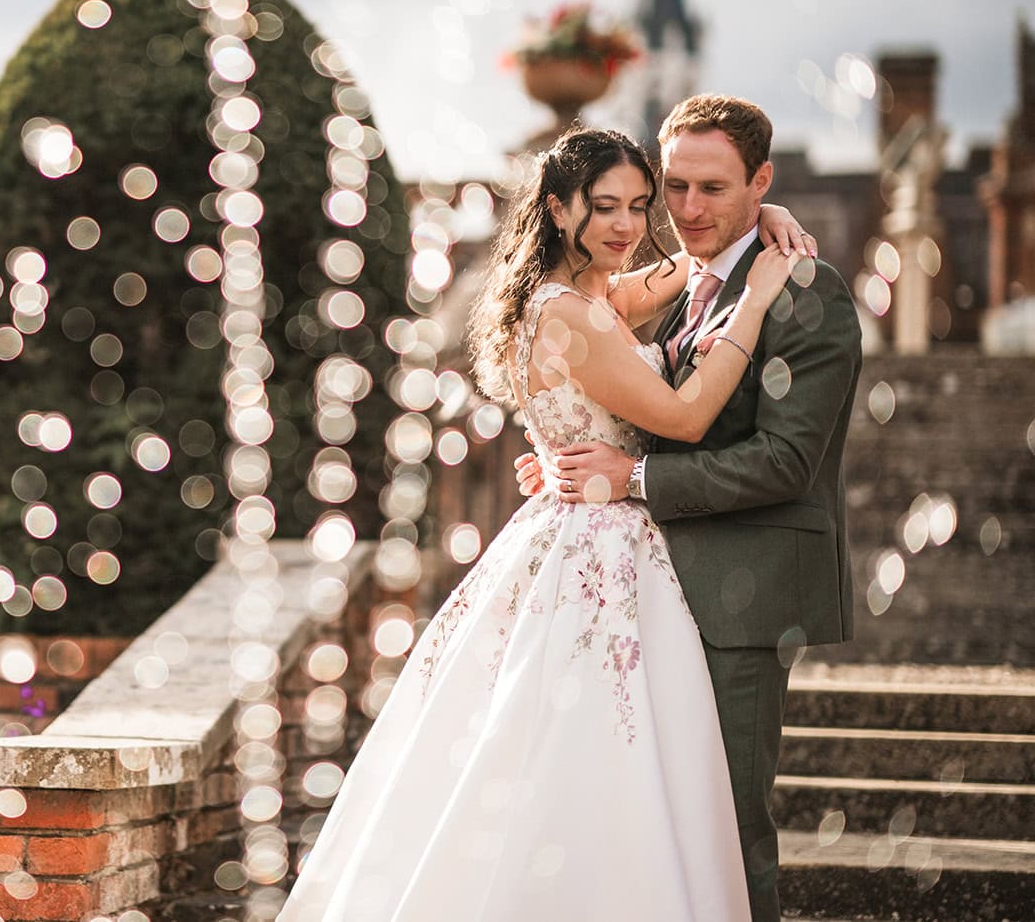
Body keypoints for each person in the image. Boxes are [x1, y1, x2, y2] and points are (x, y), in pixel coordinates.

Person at [276, 125, 812, 921]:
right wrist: (760, 295)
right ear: (560, 208)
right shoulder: (575, 315)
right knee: (591, 756)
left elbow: (667, 281)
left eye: (639, 205)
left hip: (570, 528)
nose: (627, 226)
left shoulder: (577, 298)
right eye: (603, 208)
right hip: (603, 553)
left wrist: (752, 222)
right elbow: (687, 415)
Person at [515, 95, 863, 922]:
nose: (686, 209)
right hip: (651, 592)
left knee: (729, 830)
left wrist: (629, 476)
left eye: (716, 188)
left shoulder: (804, 292)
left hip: (746, 594)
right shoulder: (683, 284)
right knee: (648, 823)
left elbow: (785, 460)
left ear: (761, 181)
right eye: (674, 187)